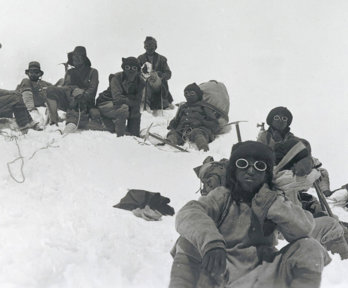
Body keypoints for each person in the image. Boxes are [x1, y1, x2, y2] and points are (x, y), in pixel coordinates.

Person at [170, 141, 330, 288]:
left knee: (310, 247)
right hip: (222, 271)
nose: (251, 170)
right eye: (243, 164)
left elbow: (304, 229)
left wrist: (273, 205)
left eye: (260, 166)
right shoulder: (223, 195)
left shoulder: (274, 199)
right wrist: (211, 242)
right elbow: (190, 212)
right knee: (187, 241)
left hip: (264, 273)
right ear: (234, 170)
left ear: (267, 173)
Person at [257, 106, 332, 197]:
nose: (280, 120)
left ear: (287, 122)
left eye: (284, 118)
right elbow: (261, 153)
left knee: (321, 171)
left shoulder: (292, 138)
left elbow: (300, 149)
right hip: (273, 165)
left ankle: (326, 194)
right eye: (276, 117)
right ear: (271, 120)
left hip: (290, 165)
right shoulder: (265, 136)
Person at [46, 46, 101, 133]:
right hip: (69, 99)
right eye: (74, 56)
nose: (76, 58)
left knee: (77, 99)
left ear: (84, 59)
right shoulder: (70, 72)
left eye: (79, 56)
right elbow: (65, 87)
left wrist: (82, 92)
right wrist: (71, 90)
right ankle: (54, 121)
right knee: (50, 90)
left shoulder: (93, 72)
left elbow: (92, 91)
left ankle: (71, 124)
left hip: (84, 102)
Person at [96, 57, 145, 137]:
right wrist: (131, 100)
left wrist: (132, 102)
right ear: (124, 68)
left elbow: (138, 101)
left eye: (134, 68)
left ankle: (133, 135)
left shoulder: (140, 82)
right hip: (106, 103)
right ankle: (120, 137)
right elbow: (117, 98)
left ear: (138, 70)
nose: (130, 70)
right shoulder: (116, 77)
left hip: (122, 105)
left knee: (135, 112)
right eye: (127, 67)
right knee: (124, 108)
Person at [166, 83, 220, 151]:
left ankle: (203, 148)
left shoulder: (204, 107)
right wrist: (172, 124)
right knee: (174, 133)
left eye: (192, 93)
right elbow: (177, 120)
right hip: (183, 130)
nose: (188, 95)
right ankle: (169, 142)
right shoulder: (183, 107)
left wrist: (201, 122)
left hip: (200, 129)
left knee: (197, 133)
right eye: (186, 93)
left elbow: (215, 124)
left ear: (198, 94)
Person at [137, 36, 174, 111]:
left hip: (158, 84)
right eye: (147, 45)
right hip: (145, 82)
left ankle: (163, 102)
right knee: (145, 82)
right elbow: (137, 72)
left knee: (154, 74)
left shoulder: (162, 59)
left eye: (151, 45)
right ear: (144, 46)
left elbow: (168, 73)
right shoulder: (140, 58)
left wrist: (160, 75)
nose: (149, 47)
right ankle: (144, 104)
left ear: (155, 46)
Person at [16, 61, 52, 127]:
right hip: (28, 109)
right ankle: (31, 111)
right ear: (28, 73)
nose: (33, 74)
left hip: (43, 107)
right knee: (25, 80)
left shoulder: (45, 84)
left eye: (36, 72)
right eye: (31, 72)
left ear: (40, 74)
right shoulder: (24, 83)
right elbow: (16, 98)